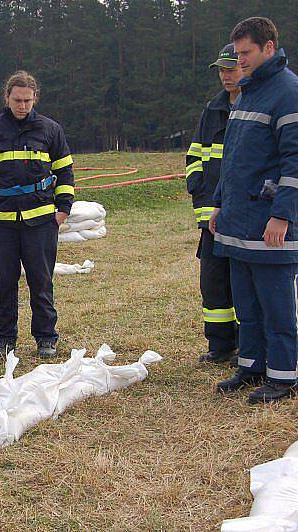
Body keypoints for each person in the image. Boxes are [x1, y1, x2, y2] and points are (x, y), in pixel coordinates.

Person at [211, 17, 298, 404]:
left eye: (245, 54)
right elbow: (233, 159)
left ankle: (283, 376)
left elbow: (294, 161)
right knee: (246, 303)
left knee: (275, 305)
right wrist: (218, 205)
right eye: (236, 54)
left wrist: (282, 215)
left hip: (268, 224)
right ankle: (252, 366)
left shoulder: (288, 93)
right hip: (237, 220)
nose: (239, 61)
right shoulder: (249, 91)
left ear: (268, 47)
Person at [0, 70, 75, 360]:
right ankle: (4, 341)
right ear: (7, 98)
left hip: (40, 222)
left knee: (41, 282)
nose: (22, 106)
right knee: (3, 283)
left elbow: (64, 171)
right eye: (17, 100)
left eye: (27, 100)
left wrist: (62, 210)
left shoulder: (51, 130)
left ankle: (46, 338)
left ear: (35, 98)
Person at [186, 44, 243, 366]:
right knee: (213, 283)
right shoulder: (213, 109)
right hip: (211, 215)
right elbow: (195, 156)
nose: (225, 75)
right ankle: (220, 345)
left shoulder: (254, 107)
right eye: (221, 70)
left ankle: (248, 345)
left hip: (243, 214)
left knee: (244, 284)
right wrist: (198, 190)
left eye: (231, 68)